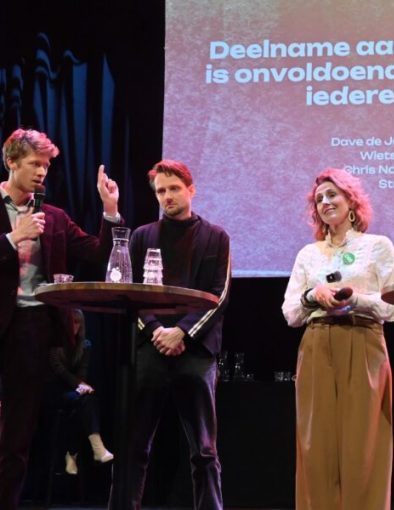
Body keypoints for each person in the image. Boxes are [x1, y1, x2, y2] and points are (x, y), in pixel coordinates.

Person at [0, 128, 121, 509]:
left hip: (32, 328)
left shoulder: (52, 217)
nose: (41, 172)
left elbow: (97, 252)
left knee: (17, 433)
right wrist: (11, 239)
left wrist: (110, 210)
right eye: (34, 163)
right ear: (11, 162)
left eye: (46, 165)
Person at [282, 167, 394, 510]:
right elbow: (290, 312)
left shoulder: (377, 246)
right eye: (319, 199)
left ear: (351, 201)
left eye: (332, 194)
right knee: (316, 446)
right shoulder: (308, 254)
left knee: (362, 446)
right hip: (317, 344)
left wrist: (357, 300)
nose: (325, 202)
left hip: (363, 341)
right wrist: (313, 295)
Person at [107, 159, 230, 510]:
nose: (167, 196)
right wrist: (158, 330)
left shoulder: (216, 236)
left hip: (197, 351)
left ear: (191, 190)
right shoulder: (142, 235)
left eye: (174, 188)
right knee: (132, 445)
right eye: (161, 191)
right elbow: (130, 292)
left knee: (204, 450)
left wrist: (182, 333)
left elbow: (219, 294)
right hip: (151, 347)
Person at [48, 308, 113, 475]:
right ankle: (83, 451)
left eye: (77, 322)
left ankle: (76, 453)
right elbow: (58, 369)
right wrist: (80, 385)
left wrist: (81, 386)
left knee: (86, 402)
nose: (74, 326)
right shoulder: (54, 342)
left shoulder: (85, 345)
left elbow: (83, 370)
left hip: (72, 391)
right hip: (53, 389)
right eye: (71, 322)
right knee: (84, 403)